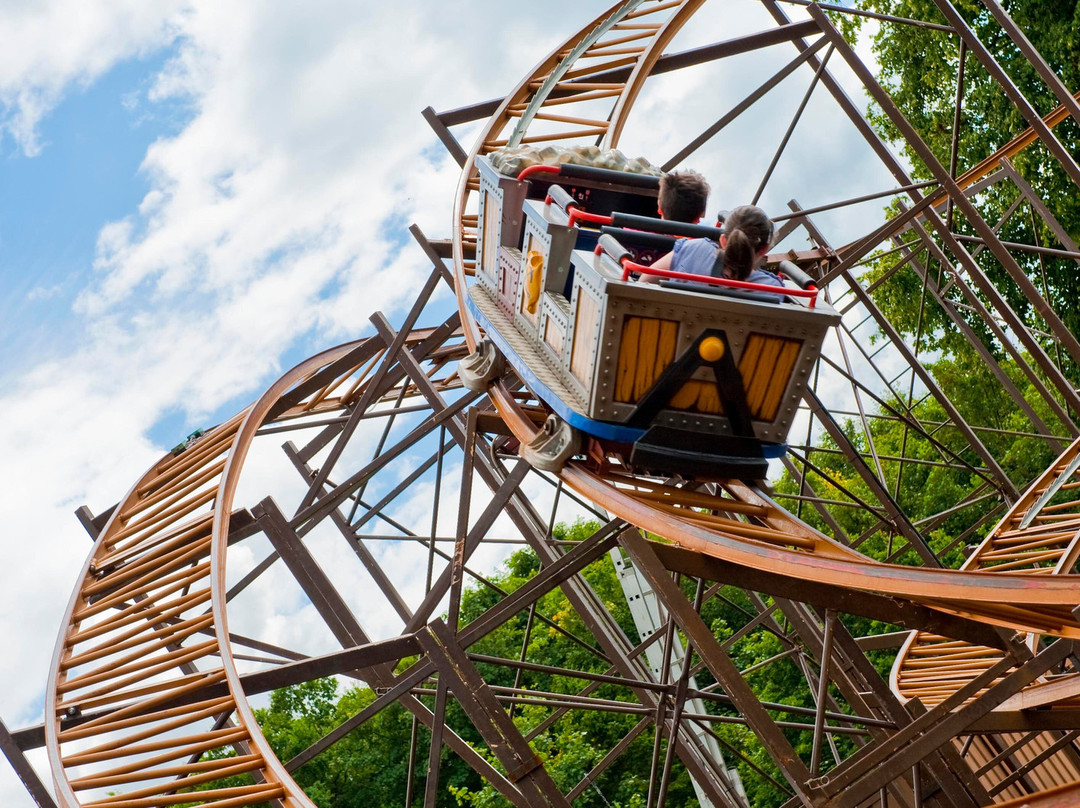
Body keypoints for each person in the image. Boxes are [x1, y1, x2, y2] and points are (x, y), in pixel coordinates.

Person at [644, 205, 785, 300]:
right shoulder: (773, 290)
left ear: (723, 240)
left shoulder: (692, 248)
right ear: (764, 249)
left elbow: (644, 281)